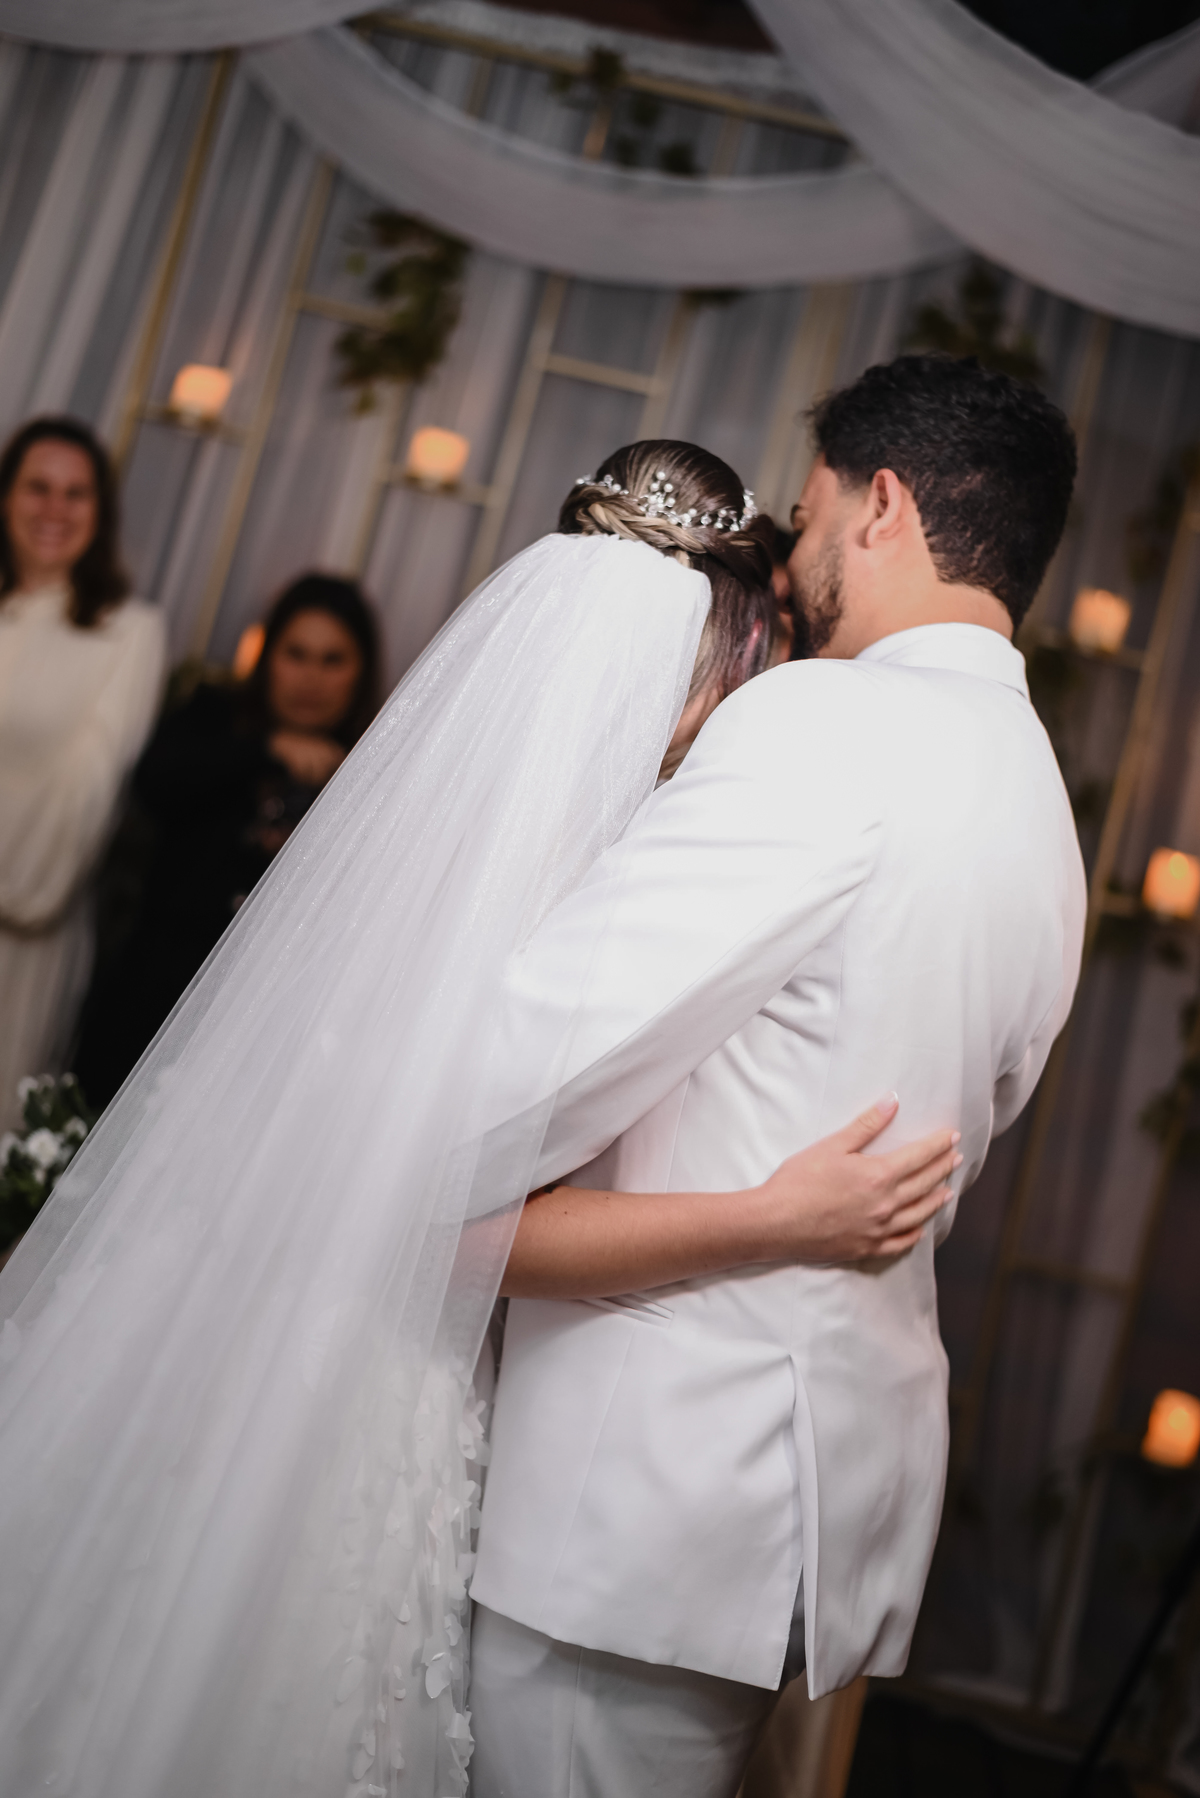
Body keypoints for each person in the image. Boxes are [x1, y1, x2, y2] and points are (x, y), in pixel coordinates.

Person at [0, 439, 950, 1798]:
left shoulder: (446, 849)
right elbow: (429, 1214)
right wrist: (772, 1218)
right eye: (747, 664)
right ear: (698, 674)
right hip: (379, 1369)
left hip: (309, 1331)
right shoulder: (583, 907)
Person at [463, 356, 1088, 1798]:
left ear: (883, 506)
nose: (796, 562)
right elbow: (965, 1119)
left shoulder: (821, 723)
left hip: (641, 1499)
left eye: (808, 516)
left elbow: (515, 1074)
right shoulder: (1044, 816)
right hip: (794, 1505)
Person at [73, 573, 380, 1107]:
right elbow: (155, 781)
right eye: (296, 654)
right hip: (151, 1003)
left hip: (264, 1037)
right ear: (268, 655)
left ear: (362, 671)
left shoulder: (373, 767)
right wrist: (268, 748)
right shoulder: (214, 717)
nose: (311, 678)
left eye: (333, 660)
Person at [0, 416, 164, 1130]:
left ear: (101, 513)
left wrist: (22, 884)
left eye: (76, 493)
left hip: (21, 931)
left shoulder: (128, 632)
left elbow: (85, 795)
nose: (54, 509)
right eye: (37, 487)